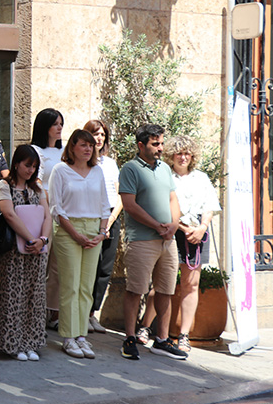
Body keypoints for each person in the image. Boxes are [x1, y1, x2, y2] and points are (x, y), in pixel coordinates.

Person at [139, 135, 220, 354]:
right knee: (162, 283)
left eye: (187, 153)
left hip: (197, 235)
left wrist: (202, 228)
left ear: (192, 155)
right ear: (171, 155)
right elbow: (163, 207)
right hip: (172, 234)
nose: (183, 157)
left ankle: (184, 335)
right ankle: (145, 327)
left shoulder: (201, 178)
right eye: (178, 153)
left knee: (191, 285)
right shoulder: (165, 177)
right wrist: (183, 229)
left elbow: (210, 205)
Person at [119, 124, 188, 361]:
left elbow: (173, 198)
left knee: (165, 291)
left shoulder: (165, 169)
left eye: (161, 143)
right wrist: (157, 226)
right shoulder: (130, 169)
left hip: (167, 241)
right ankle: (129, 338)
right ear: (141, 145)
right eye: (155, 144)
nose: (160, 148)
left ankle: (161, 340)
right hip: (141, 240)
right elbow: (130, 205)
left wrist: (174, 225)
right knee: (135, 290)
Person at [0, 145, 52, 361]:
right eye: (27, 165)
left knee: (33, 296)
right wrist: (30, 238)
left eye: (34, 166)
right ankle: (11, 343)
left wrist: (42, 239)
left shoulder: (38, 189)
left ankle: (30, 342)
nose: (30, 170)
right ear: (16, 163)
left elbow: (47, 216)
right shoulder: (4, 185)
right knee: (11, 296)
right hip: (12, 251)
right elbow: (9, 214)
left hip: (35, 251)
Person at [48, 130, 110, 359]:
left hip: (94, 229)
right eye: (83, 145)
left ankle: (82, 335)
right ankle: (68, 337)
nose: (88, 149)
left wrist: (102, 233)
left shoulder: (98, 172)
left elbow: (105, 205)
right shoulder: (60, 170)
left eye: (91, 146)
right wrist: (75, 234)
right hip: (68, 229)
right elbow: (56, 208)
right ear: (72, 147)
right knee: (70, 285)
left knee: (86, 287)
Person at [83, 120, 123, 334]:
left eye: (102, 135)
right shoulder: (83, 163)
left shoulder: (110, 163)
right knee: (88, 268)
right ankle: (81, 312)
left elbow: (119, 194)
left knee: (105, 269)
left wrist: (110, 219)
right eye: (95, 134)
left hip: (111, 216)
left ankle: (92, 314)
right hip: (91, 217)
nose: (99, 138)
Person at [31, 108, 64, 330]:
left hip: (64, 214)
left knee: (58, 267)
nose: (60, 128)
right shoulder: (35, 150)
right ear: (45, 127)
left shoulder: (65, 153)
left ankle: (53, 311)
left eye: (61, 123)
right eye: (55, 124)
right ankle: (35, 312)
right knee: (40, 264)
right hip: (44, 213)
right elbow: (37, 181)